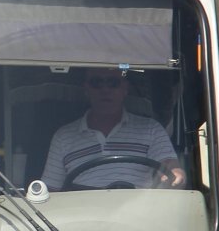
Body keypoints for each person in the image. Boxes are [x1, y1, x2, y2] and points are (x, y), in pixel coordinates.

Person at [40, 67, 187, 191]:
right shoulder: (63, 136)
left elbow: (169, 165)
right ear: (86, 89)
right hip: (82, 218)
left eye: (113, 83)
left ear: (125, 89)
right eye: (96, 83)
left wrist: (175, 173)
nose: (105, 90)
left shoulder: (151, 129)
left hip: (139, 217)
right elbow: (52, 191)